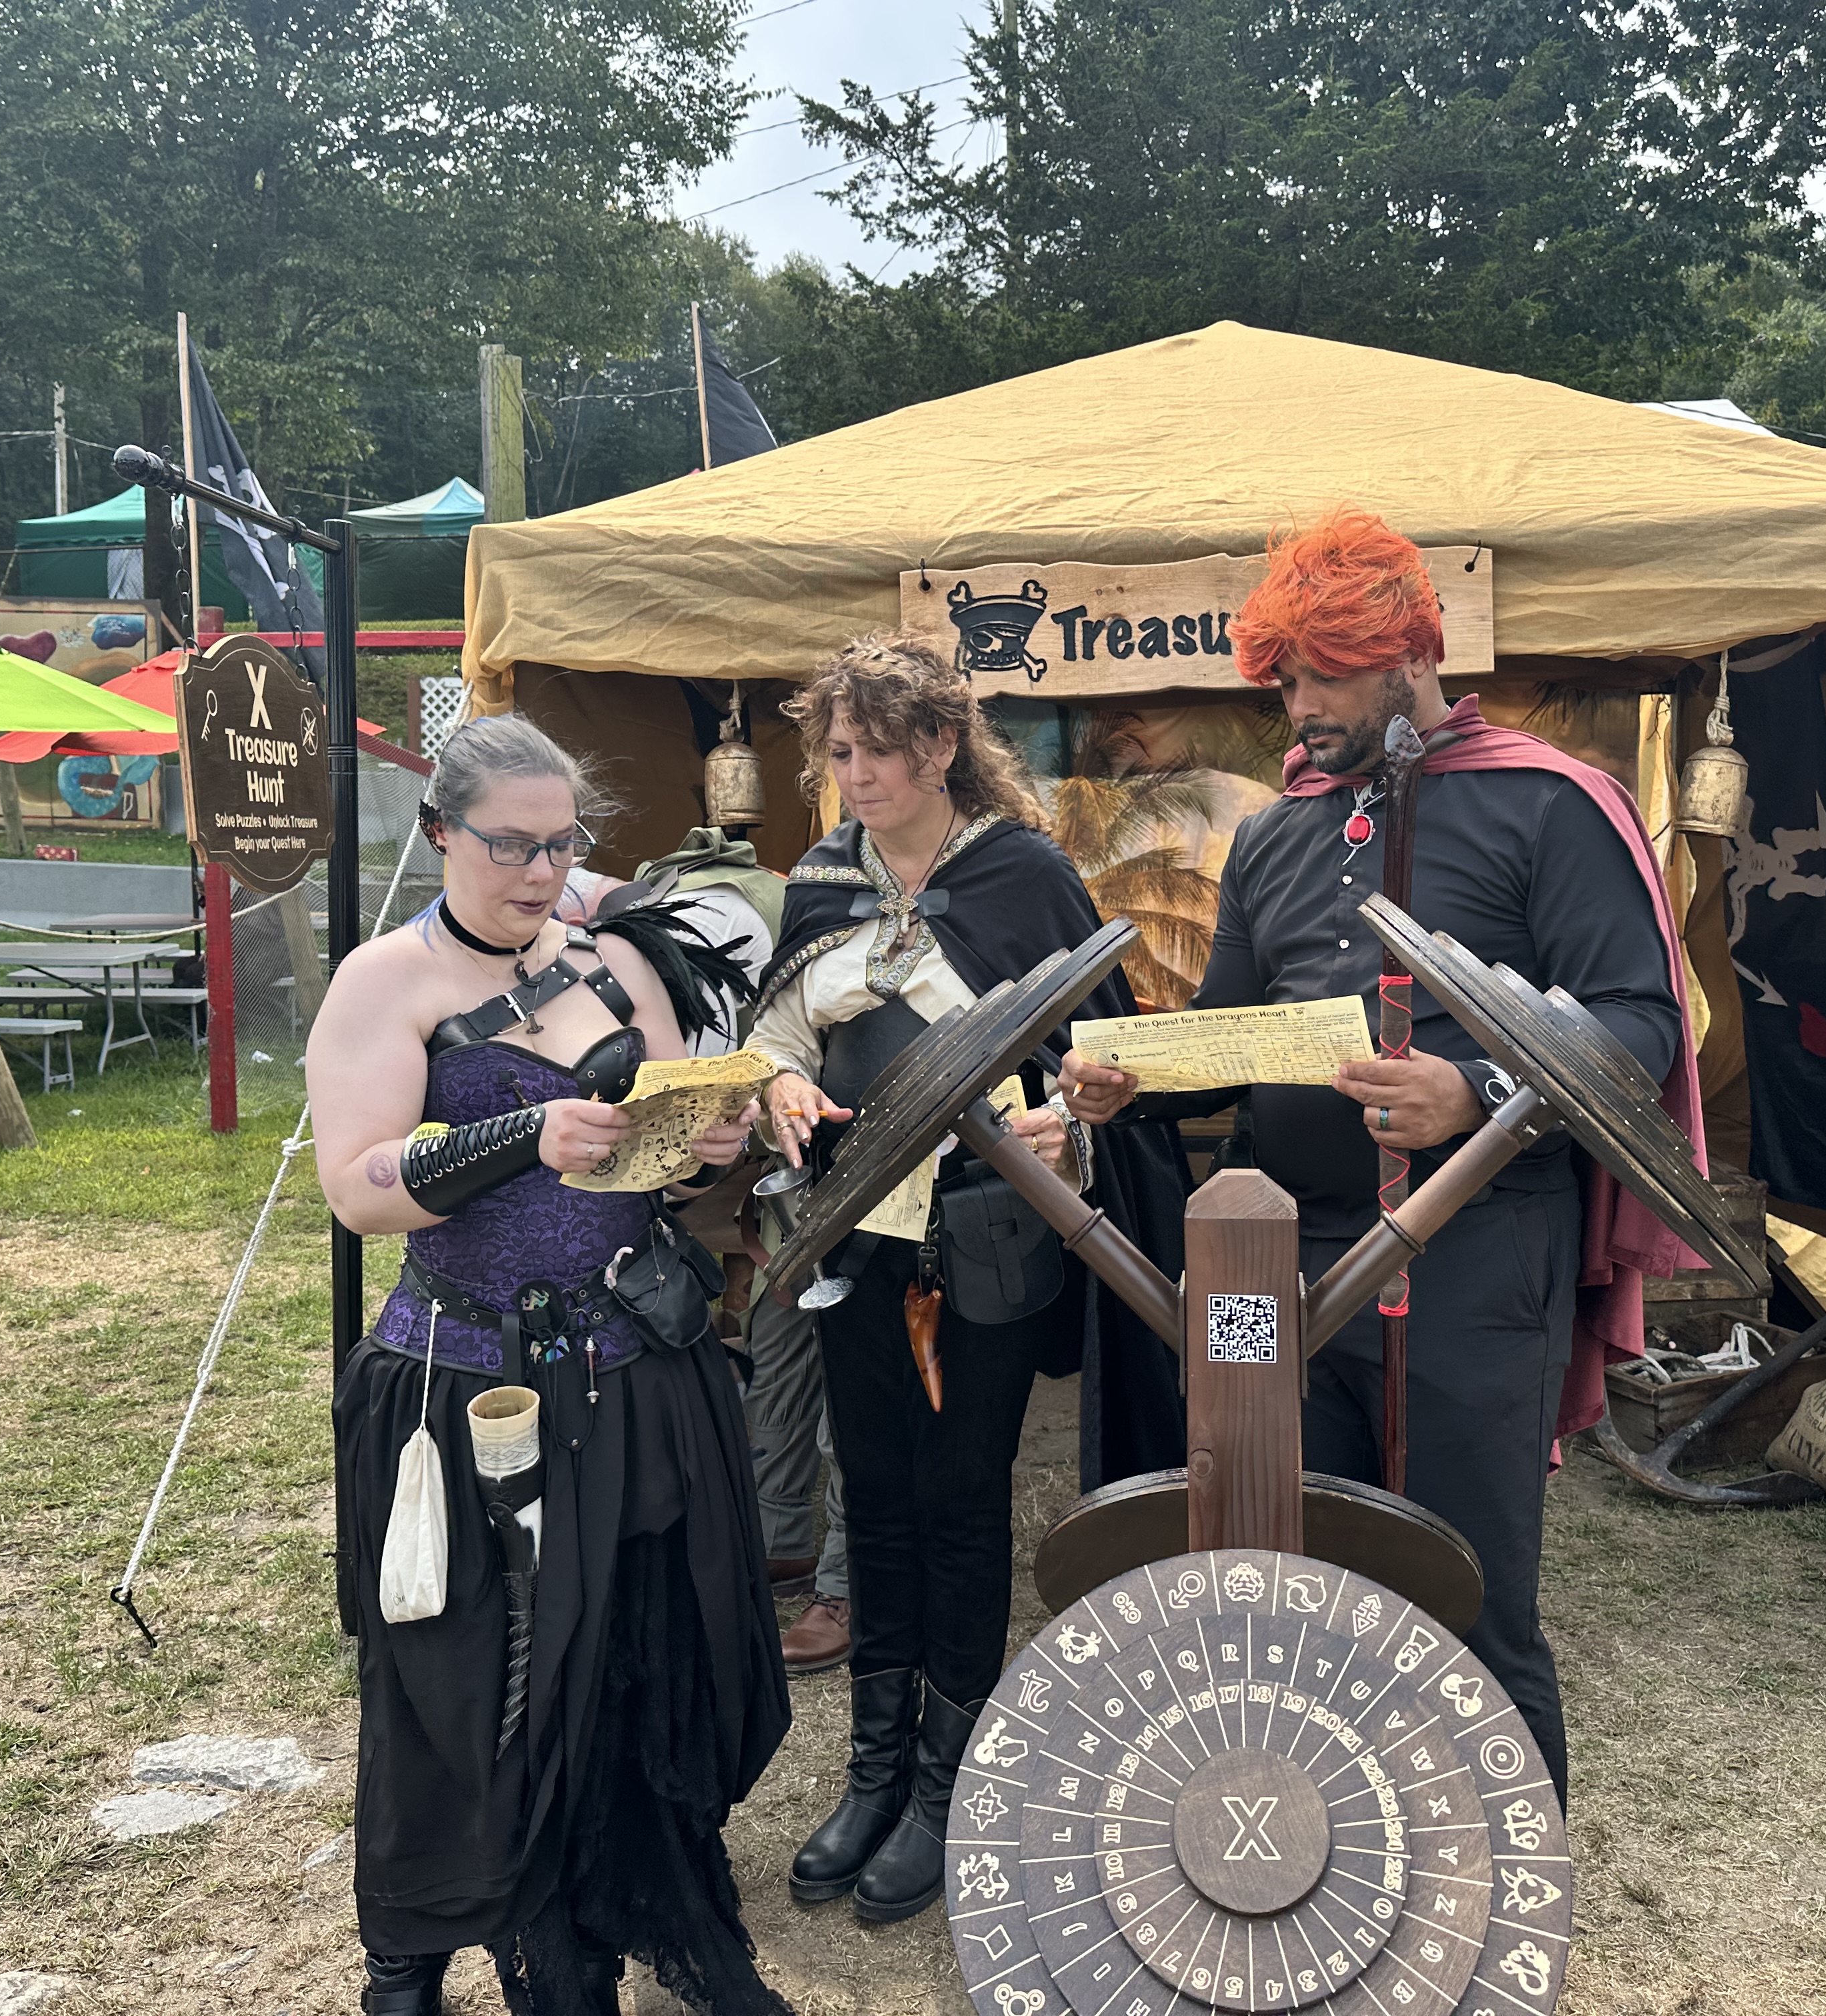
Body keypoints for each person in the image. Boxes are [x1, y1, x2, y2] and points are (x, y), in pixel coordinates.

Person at [1061, 510, 1701, 1811]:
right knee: (1303, 1589)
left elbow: (1641, 1020)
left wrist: (1474, 1087)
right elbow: (1236, 1038)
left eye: (1316, 676)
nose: (1293, 709)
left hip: (1474, 1260)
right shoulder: (1283, 837)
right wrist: (1139, 1078)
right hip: (1288, 1261)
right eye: (1284, 680)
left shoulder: (1547, 803)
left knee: (1464, 1591)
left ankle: (1496, 1910)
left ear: (1410, 654)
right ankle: (1342, 1873)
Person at [305, 714, 791, 2016]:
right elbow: (356, 1192)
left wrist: (722, 1130)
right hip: (466, 1393)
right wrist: (526, 1133)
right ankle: (410, 1953)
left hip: (637, 1375)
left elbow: (679, 1142)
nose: (535, 869)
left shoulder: (619, 967)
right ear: (439, 833)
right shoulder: (382, 985)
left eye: (559, 842)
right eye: (507, 844)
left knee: (633, 1667)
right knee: (463, 1690)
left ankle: (608, 1914)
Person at [757, 633, 1189, 1925]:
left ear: (940, 746)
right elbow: (779, 1022)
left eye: (875, 751)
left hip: (986, 1234)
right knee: (875, 1492)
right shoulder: (823, 877)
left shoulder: (1022, 874)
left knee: (958, 1496)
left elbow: (1097, 1054)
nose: (852, 776)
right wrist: (778, 1072)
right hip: (855, 1228)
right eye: (836, 752)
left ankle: (951, 1790)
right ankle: (875, 1772)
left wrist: (1074, 1119)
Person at [621, 827, 857, 1673]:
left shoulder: (804, 901)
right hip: (775, 1173)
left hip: (860, 1165)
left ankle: (844, 1582)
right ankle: (782, 1538)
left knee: (849, 1388)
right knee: (785, 1354)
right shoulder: (646, 919)